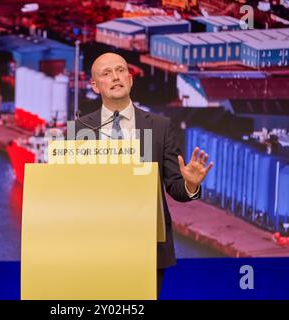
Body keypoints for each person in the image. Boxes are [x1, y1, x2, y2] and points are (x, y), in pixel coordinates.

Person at [73, 52, 213, 298]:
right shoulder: (80, 130)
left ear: (130, 78)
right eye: (106, 73)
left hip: (147, 247)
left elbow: (175, 188)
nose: (115, 77)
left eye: (120, 70)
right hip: (95, 249)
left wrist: (190, 184)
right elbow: (72, 191)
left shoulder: (159, 126)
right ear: (95, 86)